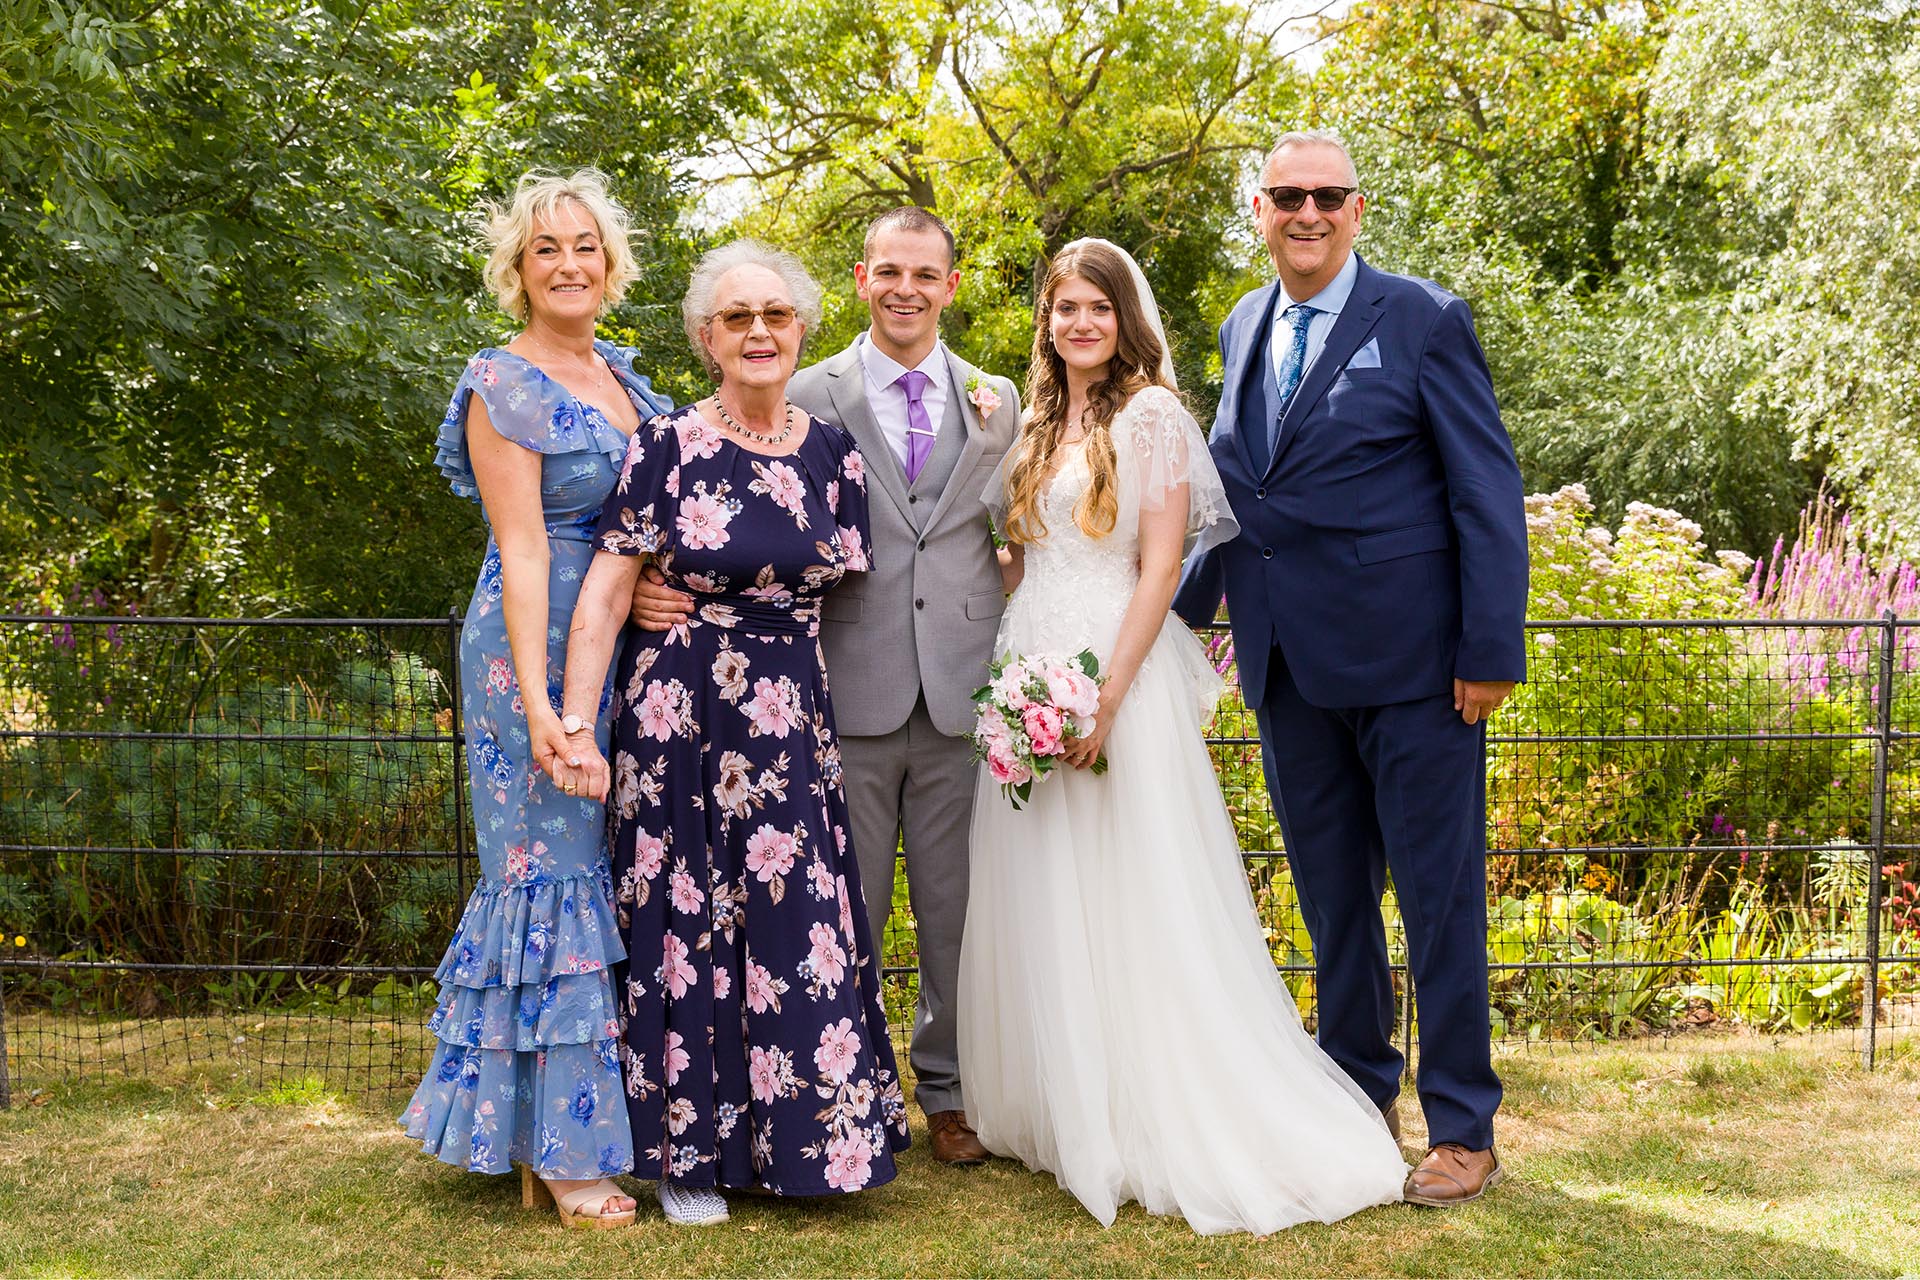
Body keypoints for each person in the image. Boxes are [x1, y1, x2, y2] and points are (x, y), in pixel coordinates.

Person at [956, 237, 1409, 1235]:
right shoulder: (1035, 421)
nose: (1079, 323)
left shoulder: (1152, 415)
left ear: (1126, 319)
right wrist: (1010, 677)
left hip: (1114, 669)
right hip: (1029, 661)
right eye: (1064, 307)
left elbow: (1161, 569)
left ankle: (1147, 1109)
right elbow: (1018, 561)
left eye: (1097, 308)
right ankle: (1058, 1101)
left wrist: (1103, 697)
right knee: (1043, 883)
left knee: (1130, 892)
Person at [1172, 130, 1530, 1207]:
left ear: (1357, 207)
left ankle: (1464, 1122)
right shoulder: (1241, 324)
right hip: (1287, 666)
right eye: (1288, 196)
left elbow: (1486, 489)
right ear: (1260, 207)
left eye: (1327, 194)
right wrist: (1165, 621)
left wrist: (1488, 650)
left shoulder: (1420, 317)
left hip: (1419, 669)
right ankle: (1354, 1094)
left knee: (1438, 902)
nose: (1308, 212)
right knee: (1335, 907)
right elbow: (1241, 495)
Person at [626, 208, 1021, 1165]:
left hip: (962, 692)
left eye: (926, 274)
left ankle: (952, 1093)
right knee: (832, 916)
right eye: (889, 270)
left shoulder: (998, 398)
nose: (906, 289)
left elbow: (1015, 531)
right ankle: (829, 1098)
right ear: (858, 279)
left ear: (951, 285)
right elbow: (724, 507)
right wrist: (651, 579)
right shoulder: (802, 385)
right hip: (832, 692)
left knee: (959, 909)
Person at [557, 239, 909, 1225]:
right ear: (708, 337)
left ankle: (814, 1147)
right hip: (685, 719)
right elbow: (606, 594)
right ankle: (688, 1156)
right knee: (690, 924)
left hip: (792, 717)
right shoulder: (667, 445)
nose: (760, 332)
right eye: (738, 317)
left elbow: (850, 595)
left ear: (801, 330)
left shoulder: (833, 452)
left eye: (777, 315)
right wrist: (580, 722)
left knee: (797, 921)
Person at [399, 169, 672, 1229]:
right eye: (546, 247)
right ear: (517, 269)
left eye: (585, 245)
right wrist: (547, 705)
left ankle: (593, 1121)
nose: (568, 262)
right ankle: (561, 1155)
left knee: (606, 872)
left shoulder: (627, 381)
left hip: (627, 649)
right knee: (547, 872)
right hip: (532, 647)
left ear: (612, 264)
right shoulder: (500, 384)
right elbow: (521, 548)